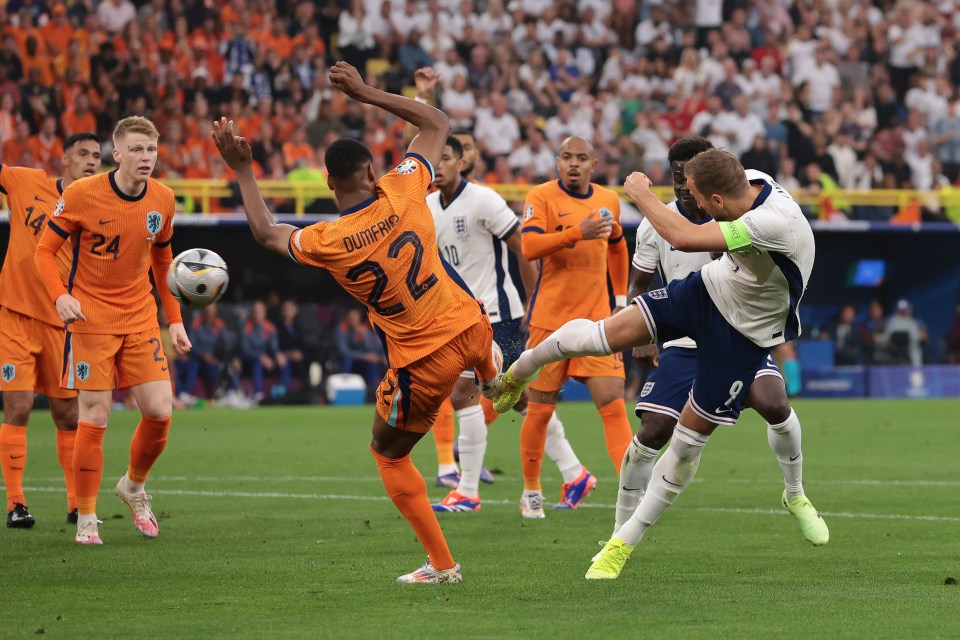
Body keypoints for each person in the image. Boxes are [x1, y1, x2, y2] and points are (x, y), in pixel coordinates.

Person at [212, 61, 500, 585]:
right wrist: (366, 93)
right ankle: (494, 376)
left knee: (388, 453)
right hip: (471, 324)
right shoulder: (402, 189)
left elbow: (266, 232)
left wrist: (244, 169)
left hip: (423, 357)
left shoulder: (327, 240)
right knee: (477, 360)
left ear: (327, 182)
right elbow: (435, 123)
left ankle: (442, 566)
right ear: (370, 173)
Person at [495, 148, 829, 579]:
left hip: (744, 334)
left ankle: (622, 544)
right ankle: (518, 373)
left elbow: (685, 238)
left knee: (690, 444)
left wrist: (638, 193)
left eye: (697, 199)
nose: (691, 206)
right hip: (710, 291)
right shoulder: (748, 179)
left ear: (718, 202)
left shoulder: (770, 222)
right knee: (603, 336)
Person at [626, 136, 825, 550]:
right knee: (653, 430)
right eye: (679, 177)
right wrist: (641, 339)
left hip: (736, 331)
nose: (685, 186)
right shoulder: (655, 222)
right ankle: (620, 527)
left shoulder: (739, 211)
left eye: (691, 177)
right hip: (682, 337)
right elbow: (639, 281)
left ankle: (796, 493)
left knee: (775, 403)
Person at [35, 116, 192, 545]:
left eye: (152, 150)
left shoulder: (163, 199)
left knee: (161, 411)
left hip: (140, 315)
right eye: (137, 150)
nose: (146, 158)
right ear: (117, 153)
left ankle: (134, 487)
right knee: (96, 416)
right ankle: (86, 517)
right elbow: (44, 252)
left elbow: (163, 262)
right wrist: (59, 297)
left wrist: (173, 319)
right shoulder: (82, 194)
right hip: (90, 319)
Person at [427, 133, 593, 513]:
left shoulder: (484, 199)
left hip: (497, 315)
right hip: (458, 318)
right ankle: (575, 472)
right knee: (517, 401)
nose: (439, 166)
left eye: (446, 158)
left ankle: (467, 492)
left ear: (460, 163)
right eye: (434, 160)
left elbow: (525, 245)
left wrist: (536, 296)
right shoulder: (428, 207)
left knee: (463, 394)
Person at [513, 135, 633, 519]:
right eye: (567, 157)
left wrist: (620, 302)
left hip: (598, 322)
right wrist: (576, 233)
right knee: (539, 411)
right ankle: (532, 491)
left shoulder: (609, 199)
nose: (574, 164)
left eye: (582, 158)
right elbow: (529, 247)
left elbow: (617, 245)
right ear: (557, 162)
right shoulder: (542, 196)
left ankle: (632, 494)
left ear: (593, 164)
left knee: (613, 404)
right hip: (550, 321)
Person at [0, 132, 101, 528]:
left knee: (67, 415)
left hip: (63, 323)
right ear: (64, 159)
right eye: (83, 154)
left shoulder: (97, 207)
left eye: (96, 155)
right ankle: (16, 504)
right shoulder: (26, 181)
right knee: (19, 406)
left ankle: (76, 505)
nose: (91, 161)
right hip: (15, 315)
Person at [241, 300, 289, 401]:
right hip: (251, 359)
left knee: (284, 361)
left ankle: (284, 392)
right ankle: (258, 395)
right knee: (257, 363)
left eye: (260, 310)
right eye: (255, 310)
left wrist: (278, 355)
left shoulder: (270, 327)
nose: (258, 313)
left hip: (267, 359)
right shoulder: (245, 327)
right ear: (252, 313)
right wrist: (260, 356)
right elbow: (245, 351)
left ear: (265, 312)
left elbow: (274, 348)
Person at [335, 307, 386, 395]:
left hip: (363, 362)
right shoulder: (341, 329)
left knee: (372, 363)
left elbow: (375, 349)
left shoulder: (365, 329)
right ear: (346, 318)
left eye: (355, 318)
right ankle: (345, 389)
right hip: (347, 361)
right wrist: (363, 356)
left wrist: (366, 337)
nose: (353, 321)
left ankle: (373, 393)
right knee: (347, 360)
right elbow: (343, 351)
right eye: (351, 318)